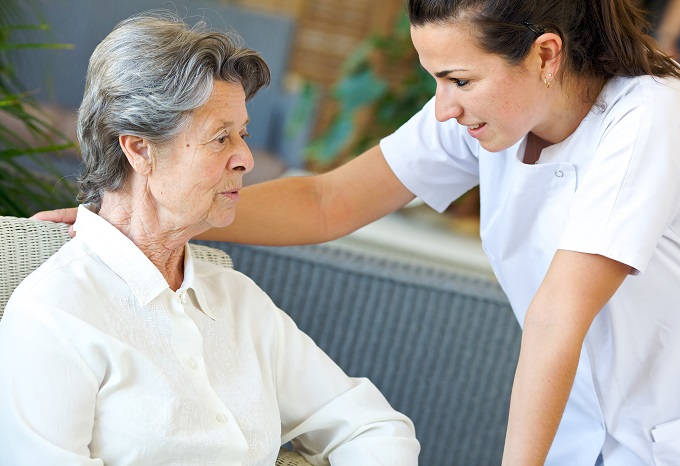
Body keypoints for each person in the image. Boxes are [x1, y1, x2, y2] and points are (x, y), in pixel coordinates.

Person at [34, 0, 680, 464]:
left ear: (546, 54)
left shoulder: (652, 117)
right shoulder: (487, 113)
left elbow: (558, 316)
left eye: (459, 79)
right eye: (436, 78)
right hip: (578, 436)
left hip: (671, 439)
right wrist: (156, 218)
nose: (443, 106)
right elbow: (329, 201)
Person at [0, 11, 420, 466]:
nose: (246, 159)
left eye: (243, 134)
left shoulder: (240, 303)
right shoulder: (56, 313)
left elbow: (372, 427)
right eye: (221, 138)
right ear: (140, 150)